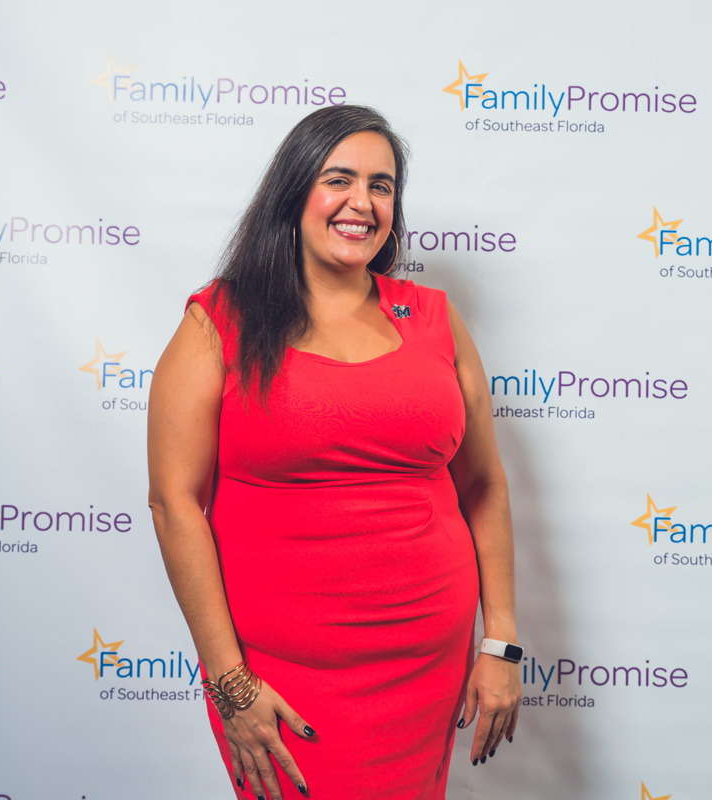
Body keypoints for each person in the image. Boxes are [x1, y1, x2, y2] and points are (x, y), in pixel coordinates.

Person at [147, 105, 521, 800]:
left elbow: (485, 487)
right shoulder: (219, 320)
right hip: (280, 675)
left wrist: (500, 642)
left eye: (382, 186)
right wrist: (231, 684)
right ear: (294, 194)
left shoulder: (434, 317)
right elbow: (175, 505)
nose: (362, 202)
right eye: (338, 179)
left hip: (426, 664)